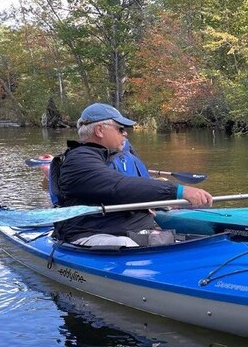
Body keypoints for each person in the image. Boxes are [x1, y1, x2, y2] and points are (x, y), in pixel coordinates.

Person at [50, 102, 212, 247]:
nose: (125, 133)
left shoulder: (112, 155)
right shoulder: (79, 160)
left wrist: (155, 203)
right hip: (94, 233)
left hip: (133, 229)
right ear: (99, 130)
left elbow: (133, 188)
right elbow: (117, 187)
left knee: (190, 242)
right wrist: (177, 191)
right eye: (120, 129)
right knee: (126, 245)